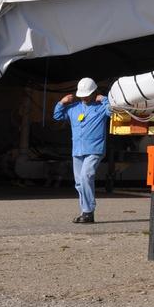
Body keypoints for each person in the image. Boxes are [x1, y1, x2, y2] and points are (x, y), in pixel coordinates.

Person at [52, 77, 111, 224]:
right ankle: (86, 213)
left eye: (87, 94)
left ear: (94, 92)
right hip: (77, 150)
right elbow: (58, 116)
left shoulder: (101, 107)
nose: (84, 97)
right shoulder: (74, 108)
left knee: (86, 176)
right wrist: (61, 102)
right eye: (82, 95)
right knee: (79, 183)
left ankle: (88, 210)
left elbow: (113, 112)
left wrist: (104, 100)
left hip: (95, 149)